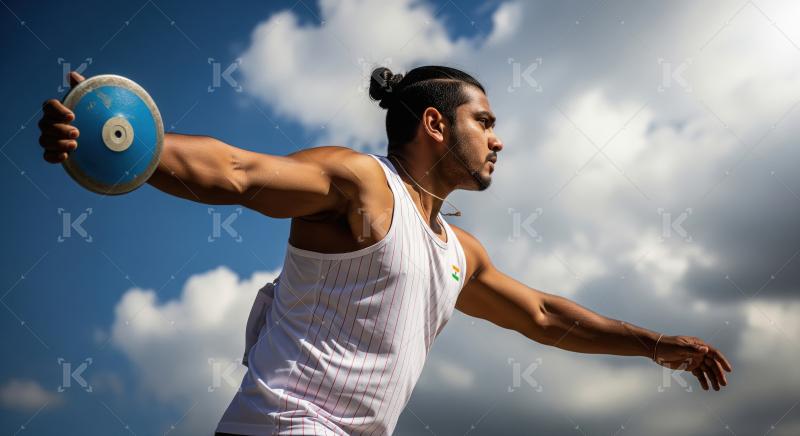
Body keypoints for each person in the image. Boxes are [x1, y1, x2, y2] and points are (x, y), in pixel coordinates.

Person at [38, 66, 732, 435]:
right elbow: (238, 172)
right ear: (434, 123)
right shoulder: (364, 184)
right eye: (483, 121)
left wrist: (652, 343)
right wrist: (126, 144)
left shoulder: (459, 251)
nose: (497, 139)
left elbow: (544, 316)